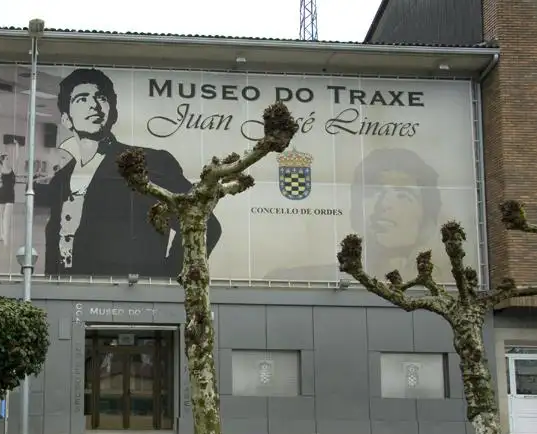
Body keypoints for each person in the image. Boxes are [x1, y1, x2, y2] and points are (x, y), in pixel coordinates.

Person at [36, 68, 221, 277]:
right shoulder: (61, 179)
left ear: (111, 111)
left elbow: (204, 224)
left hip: (130, 298)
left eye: (101, 97)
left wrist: (167, 277)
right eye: (81, 99)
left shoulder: (149, 162)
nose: (94, 105)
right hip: (65, 295)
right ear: (66, 119)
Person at [263, 148, 442, 281]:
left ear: (427, 217)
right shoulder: (290, 280)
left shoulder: (452, 288)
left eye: (403, 195)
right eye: (374, 192)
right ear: (354, 210)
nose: (384, 205)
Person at [0, 148, 18, 244]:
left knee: (7, 217)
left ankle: (6, 239)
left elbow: (17, 158)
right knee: (1, 216)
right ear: (2, 161)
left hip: (10, 195)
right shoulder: (1, 170)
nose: (9, 160)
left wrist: (16, 146)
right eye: (7, 159)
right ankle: (1, 235)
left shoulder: (13, 169)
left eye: (8, 158)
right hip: (2, 194)